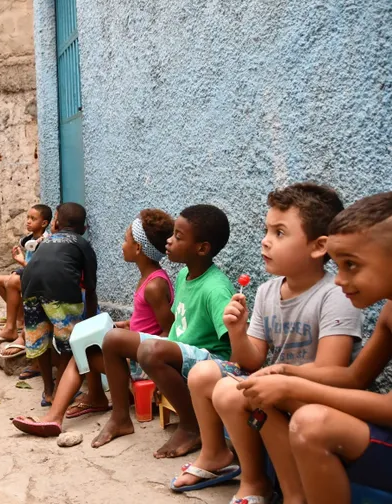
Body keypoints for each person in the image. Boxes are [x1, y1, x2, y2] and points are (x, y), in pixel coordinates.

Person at [171, 184, 362, 504]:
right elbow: (251, 360)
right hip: (276, 384)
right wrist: (237, 331)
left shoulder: (335, 295)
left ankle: (289, 492)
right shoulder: (267, 292)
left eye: (280, 233)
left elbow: (333, 369)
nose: (266, 240)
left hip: (315, 395)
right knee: (206, 376)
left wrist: (278, 377)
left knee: (240, 394)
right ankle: (237, 469)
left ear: (318, 247)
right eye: (266, 230)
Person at [235, 192, 392, 503]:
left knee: (312, 424)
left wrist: (295, 387)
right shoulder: (389, 310)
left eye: (351, 265)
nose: (339, 279)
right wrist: (286, 371)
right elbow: (354, 378)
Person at [11, 208, 175, 436]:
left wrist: (157, 379)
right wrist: (126, 325)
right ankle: (96, 397)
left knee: (82, 357)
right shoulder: (148, 279)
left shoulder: (154, 286)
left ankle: (54, 417)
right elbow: (149, 323)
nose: (122, 244)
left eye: (126, 240)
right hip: (136, 354)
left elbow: (169, 332)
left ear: (138, 248)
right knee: (88, 341)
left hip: (145, 364)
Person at [90, 204, 234, 457]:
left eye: (178, 237)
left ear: (202, 248)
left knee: (150, 350)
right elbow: (177, 328)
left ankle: (193, 427)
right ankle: (121, 418)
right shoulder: (183, 276)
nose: (169, 241)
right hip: (183, 352)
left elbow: (230, 344)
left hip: (210, 361)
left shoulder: (216, 288)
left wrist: (161, 357)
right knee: (112, 339)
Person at [13, 203, 97, 409]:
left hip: (30, 287)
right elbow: (91, 288)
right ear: (84, 229)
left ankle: (48, 391)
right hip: (61, 292)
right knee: (66, 342)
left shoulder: (46, 241)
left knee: (39, 338)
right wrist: (90, 321)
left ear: (56, 223)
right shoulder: (83, 244)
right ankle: (62, 389)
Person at [0, 204, 52, 361]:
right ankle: (20, 319)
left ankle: (10, 328)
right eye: (28, 218)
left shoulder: (45, 242)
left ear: (44, 223)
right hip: (29, 276)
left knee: (13, 281)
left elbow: (38, 271)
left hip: (39, 282)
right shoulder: (30, 239)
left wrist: (22, 264)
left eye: (33, 219)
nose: (28, 221)